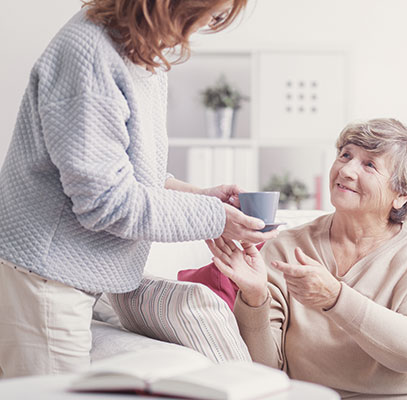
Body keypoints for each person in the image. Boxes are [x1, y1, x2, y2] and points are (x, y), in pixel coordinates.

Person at [0, 0, 278, 379]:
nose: (207, 28)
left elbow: (130, 173)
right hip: (46, 274)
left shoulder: (142, 52)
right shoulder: (90, 53)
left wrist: (198, 197)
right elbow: (104, 201)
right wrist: (216, 219)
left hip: (74, 275)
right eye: (212, 15)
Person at [207, 118, 407, 399]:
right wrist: (254, 297)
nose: (346, 170)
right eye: (345, 155)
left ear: (401, 195)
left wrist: (336, 298)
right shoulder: (286, 249)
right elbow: (267, 373)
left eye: (369, 164)